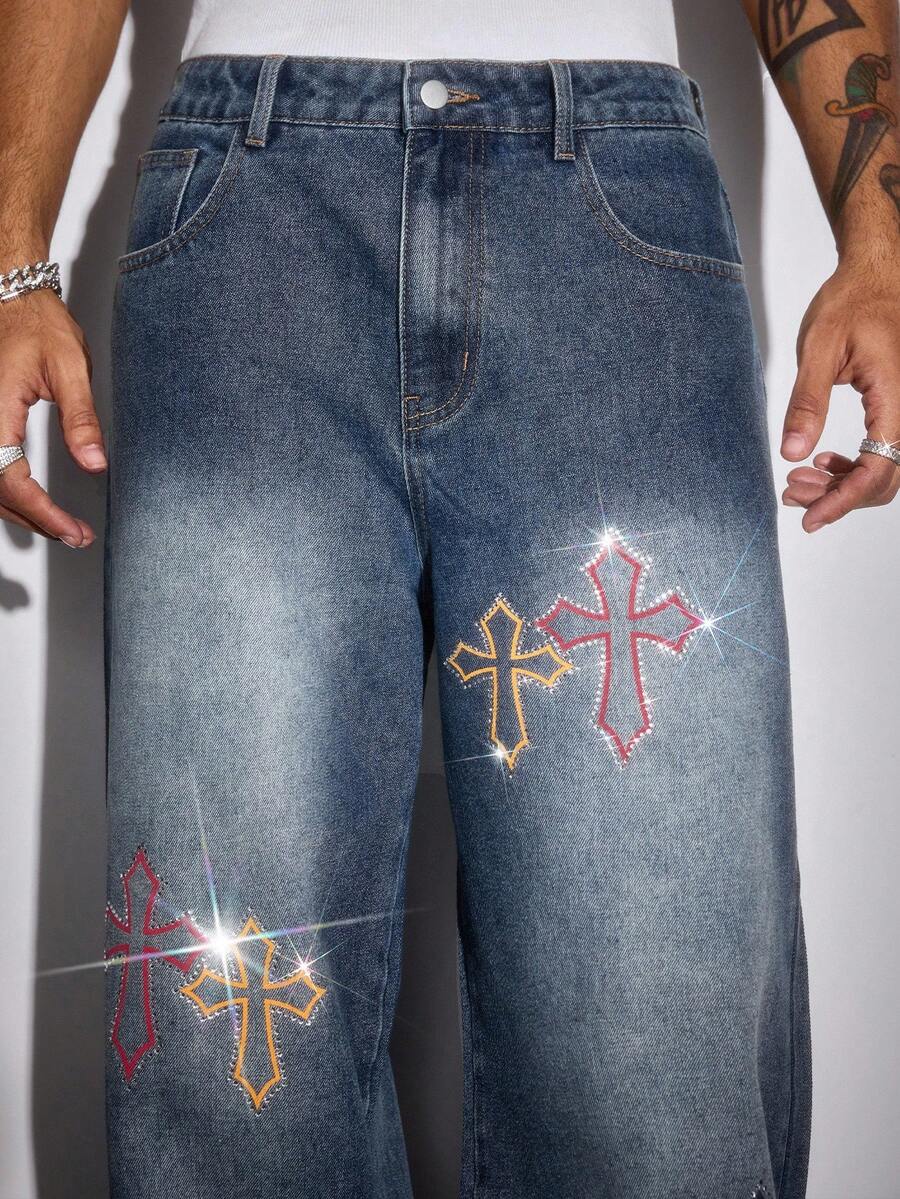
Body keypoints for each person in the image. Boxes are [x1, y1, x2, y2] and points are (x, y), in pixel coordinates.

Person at [1, 2, 898, 1196]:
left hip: (614, 222)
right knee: (229, 1050)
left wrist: (882, 243)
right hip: (249, 232)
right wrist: (11, 259)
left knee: (653, 1043)